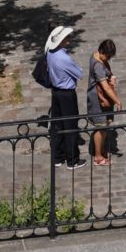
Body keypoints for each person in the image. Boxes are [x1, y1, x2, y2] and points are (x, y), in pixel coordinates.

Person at [43, 25, 83, 166]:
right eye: (67, 37)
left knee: (57, 125)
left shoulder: (50, 53)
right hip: (67, 95)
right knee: (70, 125)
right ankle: (73, 160)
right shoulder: (64, 58)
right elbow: (79, 73)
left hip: (56, 92)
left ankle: (58, 157)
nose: (69, 39)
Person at [87, 37, 120, 163]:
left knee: (103, 126)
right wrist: (117, 100)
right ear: (102, 52)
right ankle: (98, 156)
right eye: (108, 56)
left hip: (99, 98)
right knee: (100, 127)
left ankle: (100, 149)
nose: (109, 59)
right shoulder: (98, 67)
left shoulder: (95, 56)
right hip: (98, 101)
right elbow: (105, 88)